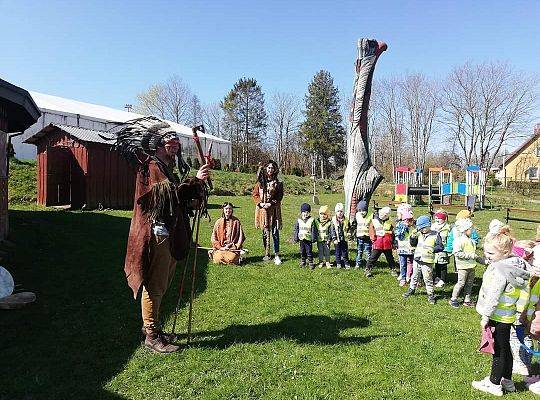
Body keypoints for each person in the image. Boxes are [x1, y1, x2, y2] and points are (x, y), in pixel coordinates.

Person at [124, 131, 209, 353]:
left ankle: (154, 328)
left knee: (161, 284)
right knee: (155, 285)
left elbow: (176, 199)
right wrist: (195, 181)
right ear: (160, 146)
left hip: (168, 233)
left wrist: (195, 193)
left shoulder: (163, 168)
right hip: (157, 234)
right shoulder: (152, 167)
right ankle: (151, 335)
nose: (176, 149)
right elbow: (168, 197)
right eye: (171, 145)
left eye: (177, 146)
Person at [472, 227, 531, 396]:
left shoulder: (500, 270)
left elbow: (493, 296)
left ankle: (494, 383)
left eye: (490, 253)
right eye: (485, 252)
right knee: (505, 349)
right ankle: (508, 380)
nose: (487, 257)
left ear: (505, 252)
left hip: (498, 316)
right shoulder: (514, 264)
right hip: (508, 315)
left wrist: (485, 316)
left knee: (498, 351)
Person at [403, 215, 443, 305]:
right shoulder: (419, 234)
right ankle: (411, 289)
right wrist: (412, 237)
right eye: (421, 228)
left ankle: (430, 294)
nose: (423, 230)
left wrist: (433, 249)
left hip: (427, 260)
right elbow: (413, 244)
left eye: (425, 227)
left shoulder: (436, 234)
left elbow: (440, 246)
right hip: (417, 258)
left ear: (429, 225)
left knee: (427, 278)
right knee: (414, 275)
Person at [252, 160, 284, 265]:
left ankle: (276, 254)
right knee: (265, 232)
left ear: (274, 170)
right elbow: (255, 194)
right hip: (263, 210)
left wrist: (271, 203)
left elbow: (279, 196)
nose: (270, 170)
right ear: (266, 168)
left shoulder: (277, 182)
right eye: (269, 168)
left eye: (272, 168)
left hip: (273, 210)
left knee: (274, 232)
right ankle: (267, 253)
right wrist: (261, 204)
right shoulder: (260, 182)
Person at [449, 218, 477, 308]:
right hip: (462, 266)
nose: (472, 230)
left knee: (470, 283)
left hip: (471, 266)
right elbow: (457, 253)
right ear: (465, 230)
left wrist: (484, 261)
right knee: (461, 283)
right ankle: (453, 299)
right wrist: (470, 256)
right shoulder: (458, 241)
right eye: (470, 229)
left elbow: (474, 254)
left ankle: (467, 300)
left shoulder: (471, 241)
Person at [365, 207, 396, 278]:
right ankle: (368, 269)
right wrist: (373, 238)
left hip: (387, 243)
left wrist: (393, 242)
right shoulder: (374, 220)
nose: (383, 216)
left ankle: (393, 269)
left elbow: (392, 233)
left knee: (390, 258)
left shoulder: (390, 221)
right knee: (373, 257)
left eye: (385, 215)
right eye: (382, 214)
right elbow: (371, 229)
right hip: (378, 243)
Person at [293, 203, 317, 270]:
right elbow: (296, 229)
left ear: (309, 212)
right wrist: (296, 237)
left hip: (308, 240)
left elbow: (313, 230)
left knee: (309, 251)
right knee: (302, 251)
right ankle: (303, 261)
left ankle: (311, 262)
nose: (305, 214)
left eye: (307, 212)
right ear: (301, 212)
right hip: (301, 239)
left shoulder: (311, 220)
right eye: (304, 212)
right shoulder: (298, 220)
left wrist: (313, 238)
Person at [395, 207, 415, 286]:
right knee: (403, 264)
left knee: (411, 263)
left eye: (410, 220)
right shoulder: (400, 226)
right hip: (402, 248)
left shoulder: (413, 227)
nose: (408, 222)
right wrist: (404, 228)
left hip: (411, 249)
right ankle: (403, 278)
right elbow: (399, 236)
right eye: (406, 220)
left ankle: (409, 276)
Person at [432, 209, 451, 288]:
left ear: (444, 219)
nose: (437, 220)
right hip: (435, 249)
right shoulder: (433, 226)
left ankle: (443, 279)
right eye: (436, 218)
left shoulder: (447, 228)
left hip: (443, 249)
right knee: (436, 264)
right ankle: (437, 277)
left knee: (443, 265)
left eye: (439, 218)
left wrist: (449, 249)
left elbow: (449, 239)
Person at [352, 200, 373, 270]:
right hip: (359, 236)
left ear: (366, 210)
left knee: (368, 252)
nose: (361, 212)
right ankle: (358, 264)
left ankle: (368, 265)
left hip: (367, 237)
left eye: (363, 210)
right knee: (359, 251)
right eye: (360, 210)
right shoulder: (357, 215)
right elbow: (355, 224)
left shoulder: (371, 215)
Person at [330, 203, 351, 269]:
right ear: (336, 212)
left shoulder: (346, 220)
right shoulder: (333, 220)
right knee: (337, 252)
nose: (340, 213)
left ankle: (346, 263)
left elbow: (349, 228)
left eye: (341, 211)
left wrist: (349, 233)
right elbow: (332, 230)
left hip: (344, 239)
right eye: (338, 211)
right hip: (337, 239)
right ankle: (338, 263)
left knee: (344, 252)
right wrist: (334, 238)